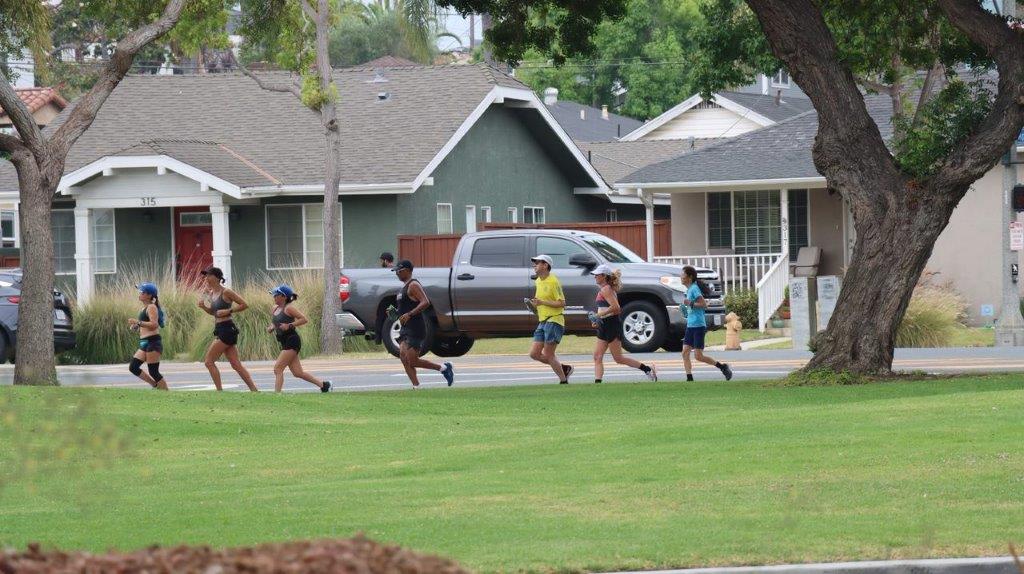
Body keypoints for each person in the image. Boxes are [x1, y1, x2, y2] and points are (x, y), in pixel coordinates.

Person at [589, 264, 657, 384]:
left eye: (597, 275)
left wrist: (598, 316)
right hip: (604, 324)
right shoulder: (604, 289)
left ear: (604, 276)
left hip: (612, 324)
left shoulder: (606, 289)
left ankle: (647, 369)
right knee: (597, 356)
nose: (595, 277)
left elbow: (616, 308)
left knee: (618, 358)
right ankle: (597, 383)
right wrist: (597, 319)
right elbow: (604, 307)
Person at [392, 259, 454, 389]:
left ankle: (443, 368)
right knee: (403, 357)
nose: (397, 273)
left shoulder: (413, 285)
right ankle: (416, 386)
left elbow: (425, 302)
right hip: (405, 328)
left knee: (413, 360)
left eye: (399, 271)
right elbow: (404, 309)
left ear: (408, 271)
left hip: (416, 327)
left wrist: (410, 314)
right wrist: (394, 313)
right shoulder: (403, 288)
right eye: (396, 271)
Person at [197, 266, 259, 392]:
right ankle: (254, 390)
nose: (206, 278)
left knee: (209, 362)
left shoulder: (226, 292)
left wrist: (229, 310)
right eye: (206, 276)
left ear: (217, 277)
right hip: (220, 328)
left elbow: (244, 304)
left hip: (227, 329)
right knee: (236, 364)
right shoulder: (211, 293)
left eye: (209, 275)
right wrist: (204, 307)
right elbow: (215, 313)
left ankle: (219, 391)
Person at [266, 284, 331, 393]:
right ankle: (325, 386)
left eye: (276, 295)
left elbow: (304, 319)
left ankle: (276, 395)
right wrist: (272, 327)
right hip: (283, 341)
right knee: (297, 373)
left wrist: (290, 325)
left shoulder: (289, 308)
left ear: (283, 296)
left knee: (278, 369)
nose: (274, 297)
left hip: (292, 340)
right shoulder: (274, 308)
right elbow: (275, 322)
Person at [680, 265, 733, 382]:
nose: (681, 277)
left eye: (683, 275)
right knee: (685, 353)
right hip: (691, 325)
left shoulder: (694, 289)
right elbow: (692, 307)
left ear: (690, 277)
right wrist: (685, 310)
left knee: (698, 356)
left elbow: (704, 304)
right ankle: (689, 379)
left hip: (698, 326)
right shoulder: (689, 290)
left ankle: (723, 367)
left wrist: (691, 304)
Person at [528, 254, 573, 384]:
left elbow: (562, 303)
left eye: (537, 263)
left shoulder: (553, 281)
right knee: (534, 354)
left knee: (548, 354)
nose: (534, 265)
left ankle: (563, 381)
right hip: (543, 321)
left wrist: (542, 302)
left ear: (545, 265)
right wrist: (534, 306)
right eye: (534, 263)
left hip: (554, 320)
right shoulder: (538, 281)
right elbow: (541, 302)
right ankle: (564, 368)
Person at [127, 282, 168, 390]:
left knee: (154, 371)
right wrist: (136, 326)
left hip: (153, 342)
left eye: (142, 292)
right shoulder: (143, 309)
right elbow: (144, 324)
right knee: (133, 367)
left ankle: (167, 393)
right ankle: (155, 385)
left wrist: (138, 322)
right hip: (144, 342)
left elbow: (154, 325)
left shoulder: (151, 307)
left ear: (149, 295)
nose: (139, 293)